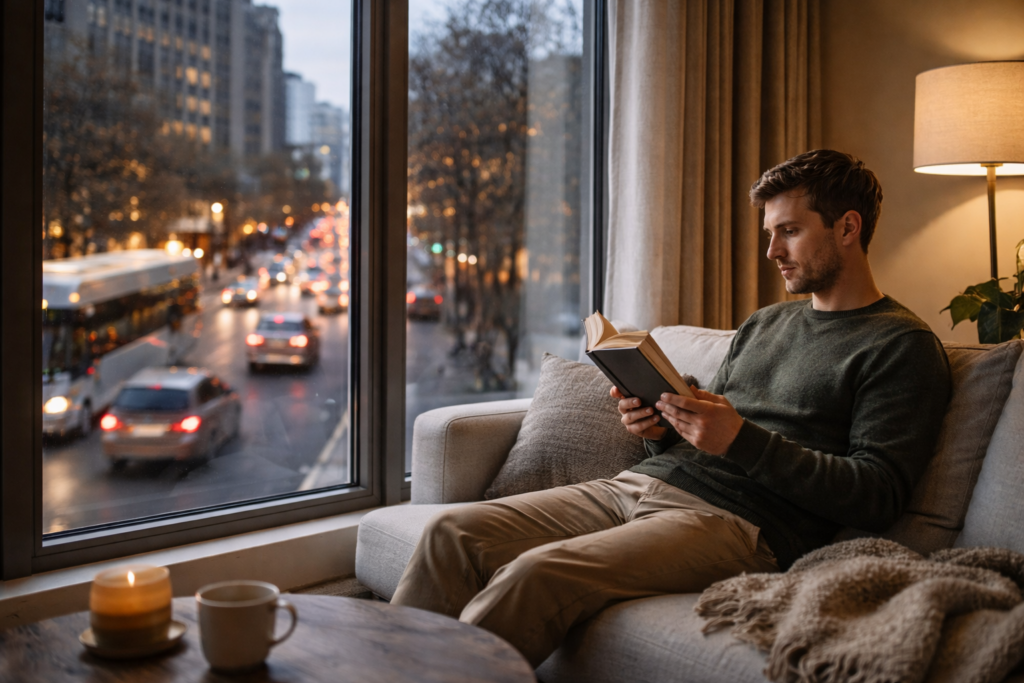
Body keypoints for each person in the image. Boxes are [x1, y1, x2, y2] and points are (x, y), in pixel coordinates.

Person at [390, 149, 952, 668]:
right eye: (770, 233)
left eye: (789, 232)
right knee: (451, 535)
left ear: (847, 227)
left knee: (536, 574)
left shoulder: (899, 345)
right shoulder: (765, 323)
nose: (772, 251)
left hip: (736, 524)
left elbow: (878, 493)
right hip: (634, 485)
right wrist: (658, 428)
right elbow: (704, 437)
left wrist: (739, 439)